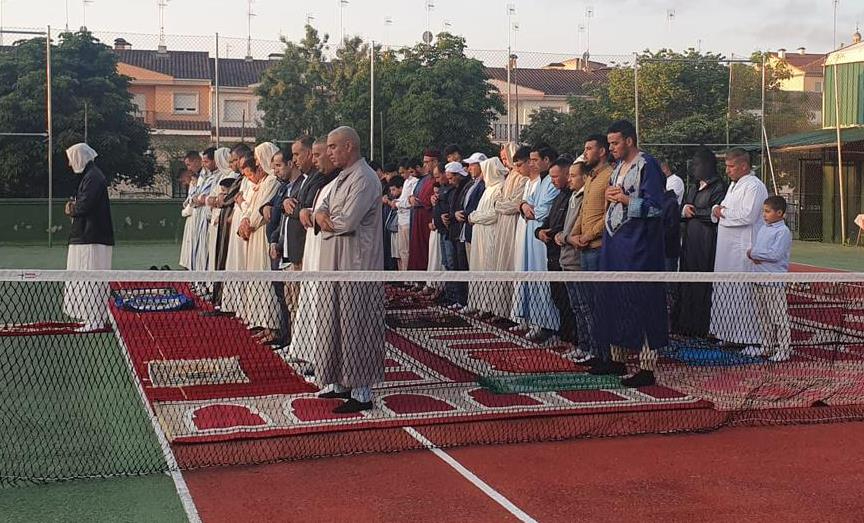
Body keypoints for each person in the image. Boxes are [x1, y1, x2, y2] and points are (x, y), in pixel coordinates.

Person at [313, 126, 385, 414]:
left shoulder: (365, 179)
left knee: (357, 324)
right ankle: (341, 382)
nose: (329, 152)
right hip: (336, 261)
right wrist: (321, 214)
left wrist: (323, 216)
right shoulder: (342, 177)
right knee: (335, 320)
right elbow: (324, 208)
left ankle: (362, 391)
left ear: (349, 146)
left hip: (358, 264)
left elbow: (345, 222)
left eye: (332, 146)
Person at [592, 120, 667, 388]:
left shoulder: (648, 166)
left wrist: (626, 200)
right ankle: (617, 357)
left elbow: (659, 208)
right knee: (614, 297)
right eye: (610, 143)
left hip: (640, 246)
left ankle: (647, 365)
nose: (611, 148)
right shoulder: (617, 169)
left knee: (642, 299)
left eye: (615, 143)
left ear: (630, 141)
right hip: (616, 243)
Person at [710, 148, 768, 349]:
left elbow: (748, 215)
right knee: (725, 288)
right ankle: (726, 333)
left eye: (731, 166)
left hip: (743, 247)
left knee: (743, 292)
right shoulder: (734, 186)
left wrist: (722, 213)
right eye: (726, 166)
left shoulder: (754, 186)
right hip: (726, 247)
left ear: (744, 166)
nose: (727, 170)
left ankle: (746, 337)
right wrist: (717, 210)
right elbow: (721, 208)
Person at [672, 146, 726, 337]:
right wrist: (684, 210)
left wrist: (694, 212)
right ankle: (685, 324)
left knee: (702, 285)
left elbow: (715, 213)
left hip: (706, 243)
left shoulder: (719, 187)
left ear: (708, 165)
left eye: (697, 164)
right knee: (686, 283)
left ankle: (700, 326)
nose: (694, 168)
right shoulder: (694, 187)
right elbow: (686, 208)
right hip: (689, 243)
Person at [62, 143, 114, 333]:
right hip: (89, 235)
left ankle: (95, 319)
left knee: (89, 275)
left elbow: (84, 206)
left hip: (91, 237)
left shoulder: (93, 178)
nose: (69, 164)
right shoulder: (91, 176)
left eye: (70, 159)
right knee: (88, 277)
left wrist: (72, 208)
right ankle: (93, 316)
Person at [511, 145, 560, 342]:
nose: (532, 164)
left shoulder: (551, 183)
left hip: (543, 239)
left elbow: (541, 211)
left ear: (546, 160)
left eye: (534, 159)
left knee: (544, 282)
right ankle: (538, 322)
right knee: (532, 279)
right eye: (529, 160)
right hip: (533, 236)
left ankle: (550, 326)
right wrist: (523, 205)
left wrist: (528, 209)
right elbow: (526, 204)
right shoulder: (539, 181)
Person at [535, 155, 575, 346]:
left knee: (571, 302)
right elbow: (546, 223)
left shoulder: (573, 198)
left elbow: (568, 227)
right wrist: (540, 232)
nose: (553, 181)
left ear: (568, 175)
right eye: (550, 178)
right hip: (551, 256)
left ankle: (575, 341)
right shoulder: (559, 197)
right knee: (558, 298)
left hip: (566, 256)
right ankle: (565, 336)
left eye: (556, 177)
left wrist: (556, 234)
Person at [748, 196, 793, 362]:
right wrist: (755, 254)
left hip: (773, 282)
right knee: (763, 317)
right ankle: (767, 346)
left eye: (767, 211)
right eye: (764, 211)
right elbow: (758, 251)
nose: (764, 215)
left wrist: (753, 253)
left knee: (778, 318)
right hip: (757, 279)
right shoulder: (763, 228)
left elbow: (775, 255)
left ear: (779, 213)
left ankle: (783, 349)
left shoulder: (783, 232)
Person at [489, 144, 529, 319]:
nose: (505, 162)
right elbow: (499, 200)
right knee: (501, 263)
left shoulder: (523, 178)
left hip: (514, 225)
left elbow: (515, 204)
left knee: (512, 263)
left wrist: (500, 205)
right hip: (503, 225)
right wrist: (500, 204)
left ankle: (514, 313)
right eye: (502, 159)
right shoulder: (510, 176)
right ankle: (502, 309)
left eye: (506, 157)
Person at [466, 157, 508, 316]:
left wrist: (473, 217)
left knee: (488, 268)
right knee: (478, 267)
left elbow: (493, 214)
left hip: (490, 234)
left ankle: (491, 307)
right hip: (480, 235)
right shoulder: (488, 188)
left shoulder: (500, 187)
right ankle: (479, 303)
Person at [560, 158, 592, 361]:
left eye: (573, 176)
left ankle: (591, 348)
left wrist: (565, 238)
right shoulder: (571, 196)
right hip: (566, 260)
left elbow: (575, 233)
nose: (569, 179)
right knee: (576, 308)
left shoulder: (584, 198)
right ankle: (582, 344)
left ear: (585, 177)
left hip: (578, 261)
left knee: (586, 308)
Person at [571, 134, 613, 271]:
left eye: (589, 148)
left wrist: (589, 236)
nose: (585, 153)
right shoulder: (590, 177)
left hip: (599, 247)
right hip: (584, 247)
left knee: (598, 291)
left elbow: (610, 214)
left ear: (601, 151)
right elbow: (583, 210)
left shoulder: (611, 175)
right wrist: (574, 234)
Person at [408, 149, 439, 271]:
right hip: (417, 218)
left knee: (428, 251)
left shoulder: (437, 178)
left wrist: (420, 202)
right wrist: (411, 198)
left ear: (435, 161)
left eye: (427, 162)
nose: (425, 165)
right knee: (417, 249)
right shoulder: (424, 179)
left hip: (428, 219)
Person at [178, 169, 198, 270]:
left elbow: (191, 206)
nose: (182, 182)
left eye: (182, 179)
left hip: (195, 219)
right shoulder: (191, 185)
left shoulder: (196, 183)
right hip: (190, 221)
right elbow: (188, 202)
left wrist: (184, 212)